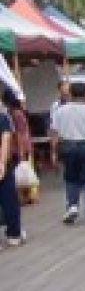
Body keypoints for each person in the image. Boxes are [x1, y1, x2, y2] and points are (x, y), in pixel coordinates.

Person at [49, 81, 85, 224]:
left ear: (70, 94)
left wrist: (53, 152)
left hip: (67, 146)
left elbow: (54, 133)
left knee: (71, 178)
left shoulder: (59, 111)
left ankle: (72, 205)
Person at [0, 102, 24, 247]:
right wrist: (2, 162)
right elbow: (5, 140)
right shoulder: (3, 118)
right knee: (9, 199)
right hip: (3, 165)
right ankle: (14, 234)